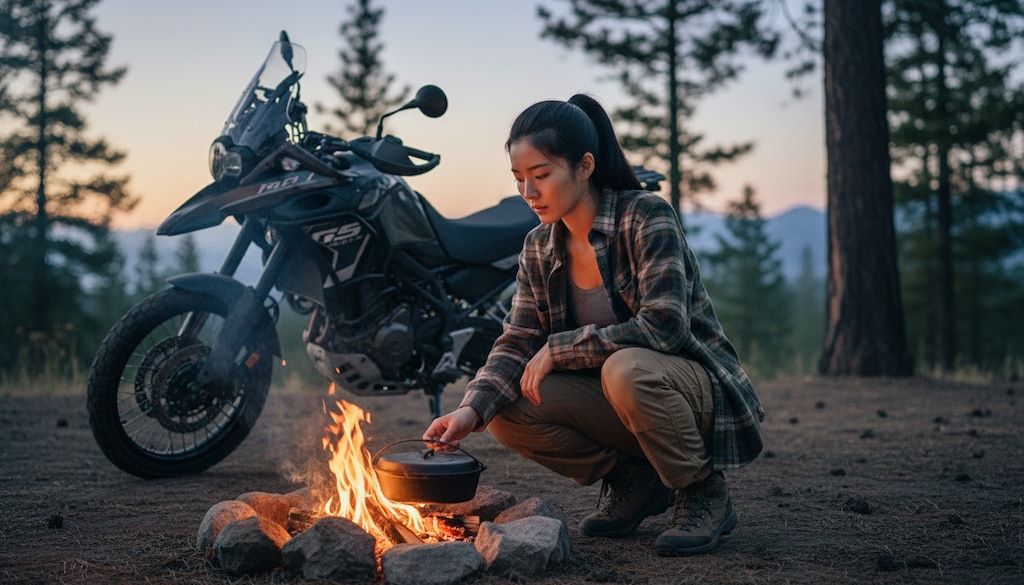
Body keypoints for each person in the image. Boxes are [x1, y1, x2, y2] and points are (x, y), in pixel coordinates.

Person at [422, 93, 764, 556]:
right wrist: (470, 410)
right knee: (504, 410)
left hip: (688, 393)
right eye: (520, 179)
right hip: (624, 403)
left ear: (584, 167)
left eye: (541, 176)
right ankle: (636, 480)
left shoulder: (645, 215)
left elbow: (665, 327)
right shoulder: (539, 247)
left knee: (624, 369)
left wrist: (560, 349)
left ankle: (703, 491)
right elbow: (518, 339)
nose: (529, 192)